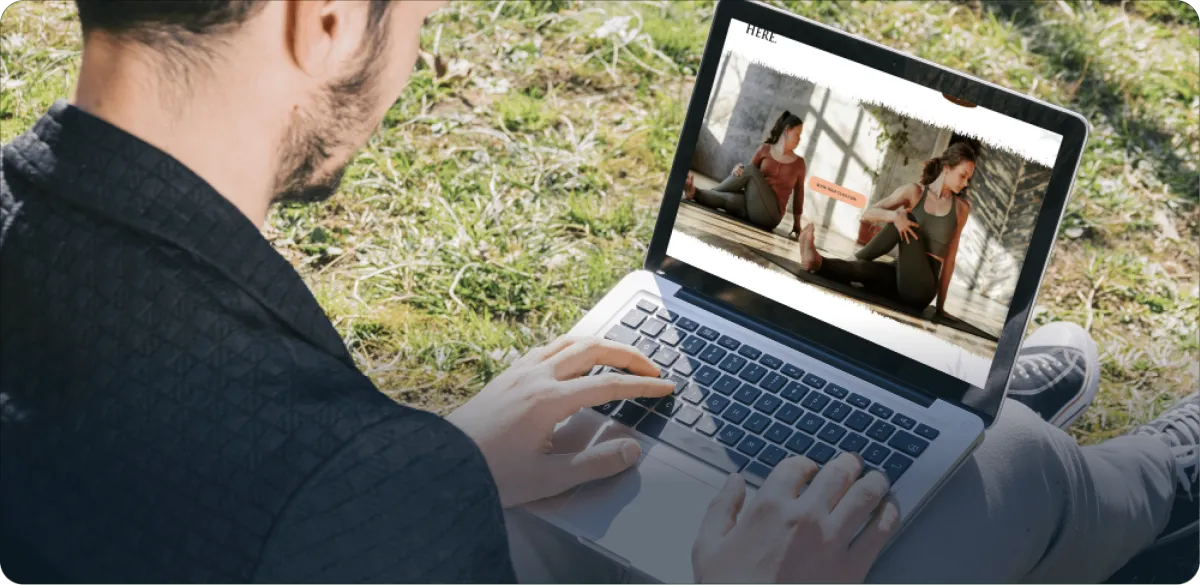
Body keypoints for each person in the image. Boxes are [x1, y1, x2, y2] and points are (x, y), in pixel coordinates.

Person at [0, 1, 1195, 583]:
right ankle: (1138, 465)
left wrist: (447, 462)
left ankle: (915, 380)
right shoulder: (349, 488)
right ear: (321, 20)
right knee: (1010, 476)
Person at [798, 142, 976, 316]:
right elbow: (868, 213)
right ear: (947, 168)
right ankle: (817, 261)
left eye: (968, 178)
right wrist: (893, 217)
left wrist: (940, 308)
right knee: (863, 270)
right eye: (963, 175)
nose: (966, 183)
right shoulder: (914, 192)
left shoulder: (961, 209)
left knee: (906, 218)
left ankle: (850, 258)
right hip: (898, 274)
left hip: (921, 289)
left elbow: (950, 258)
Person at [684, 111, 807, 234]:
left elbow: (798, 196)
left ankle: (711, 191)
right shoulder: (765, 149)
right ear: (786, 131)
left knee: (749, 170)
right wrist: (738, 169)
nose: (799, 139)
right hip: (752, 207)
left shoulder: (799, 164)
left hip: (771, 216)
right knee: (727, 198)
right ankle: (694, 192)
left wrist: (797, 225)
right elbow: (745, 175)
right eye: (797, 134)